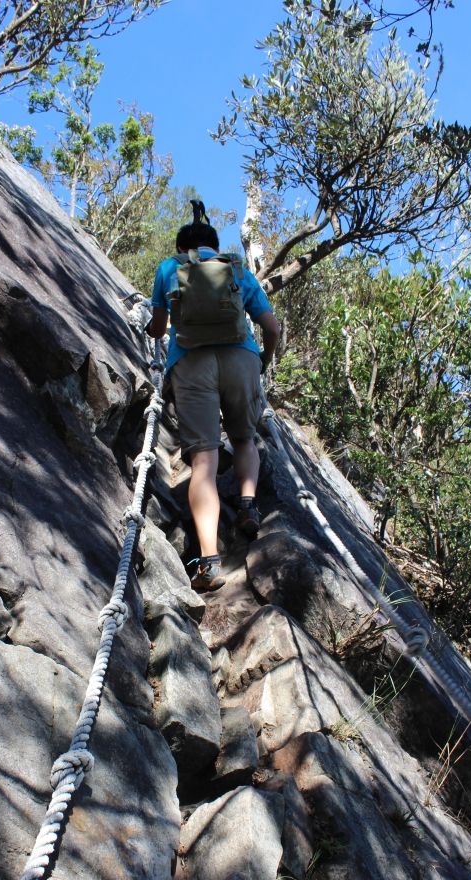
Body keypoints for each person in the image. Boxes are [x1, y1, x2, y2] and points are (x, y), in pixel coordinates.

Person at [145, 200, 280, 592]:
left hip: (191, 364)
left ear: (182, 246)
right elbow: (270, 327)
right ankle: (248, 503)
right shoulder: (237, 269)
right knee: (243, 438)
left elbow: (157, 327)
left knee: (203, 460)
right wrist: (263, 361)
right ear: (213, 246)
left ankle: (208, 562)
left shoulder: (170, 268)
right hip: (241, 359)